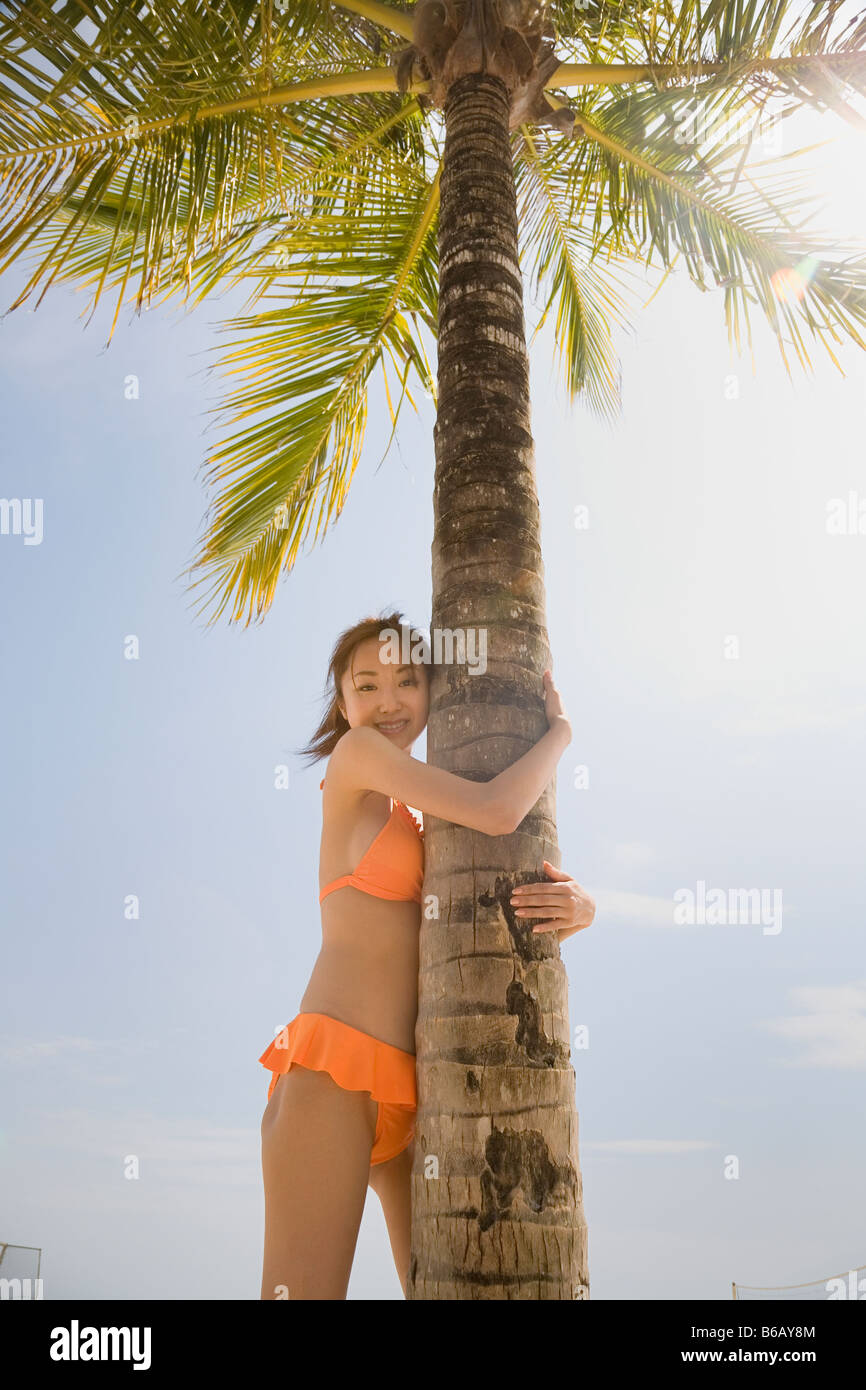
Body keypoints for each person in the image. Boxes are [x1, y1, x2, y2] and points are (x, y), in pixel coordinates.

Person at [258, 611, 595, 1299]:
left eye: (408, 681)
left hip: (418, 1096)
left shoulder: (421, 812)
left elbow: (496, 872)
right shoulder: (355, 762)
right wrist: (562, 732)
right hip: (334, 1076)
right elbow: (500, 810)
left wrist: (582, 908)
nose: (389, 699)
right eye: (368, 684)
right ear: (342, 702)